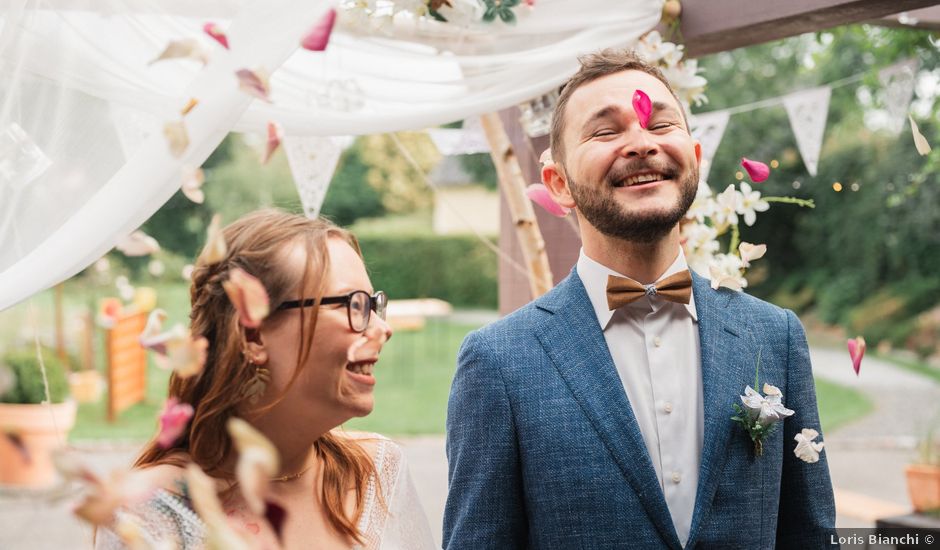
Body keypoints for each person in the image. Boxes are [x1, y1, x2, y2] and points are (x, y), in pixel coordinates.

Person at [443, 49, 836, 549]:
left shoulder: (774, 336)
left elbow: (812, 534)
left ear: (695, 158)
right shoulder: (498, 362)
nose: (641, 144)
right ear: (558, 184)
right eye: (606, 132)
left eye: (659, 124)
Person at [97, 209, 435, 549]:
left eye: (374, 305)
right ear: (253, 335)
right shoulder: (150, 513)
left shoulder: (377, 474)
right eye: (353, 304)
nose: (382, 329)